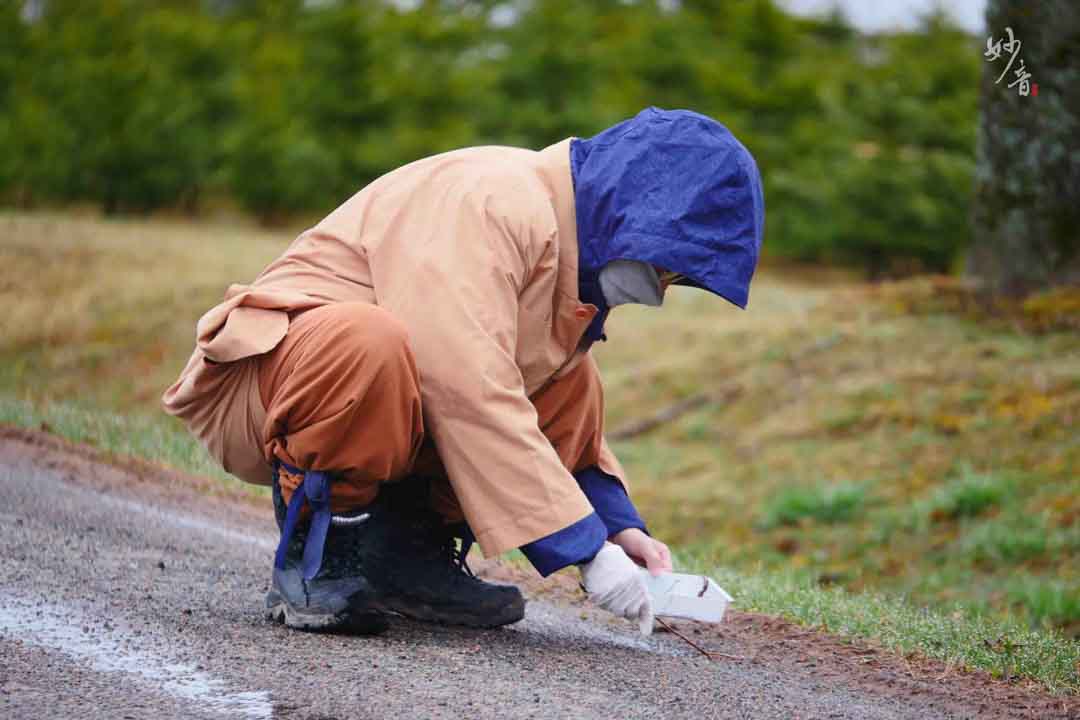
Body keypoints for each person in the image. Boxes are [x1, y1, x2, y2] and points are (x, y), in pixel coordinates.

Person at [163, 107, 764, 636]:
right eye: (670, 267)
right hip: (267, 388)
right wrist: (583, 550)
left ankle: (405, 556)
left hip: (377, 398)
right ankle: (320, 555)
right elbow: (462, 383)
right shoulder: (495, 199)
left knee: (571, 378)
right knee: (369, 343)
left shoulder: (562, 246)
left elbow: (526, 403)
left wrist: (615, 530)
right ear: (637, 206)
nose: (663, 288)